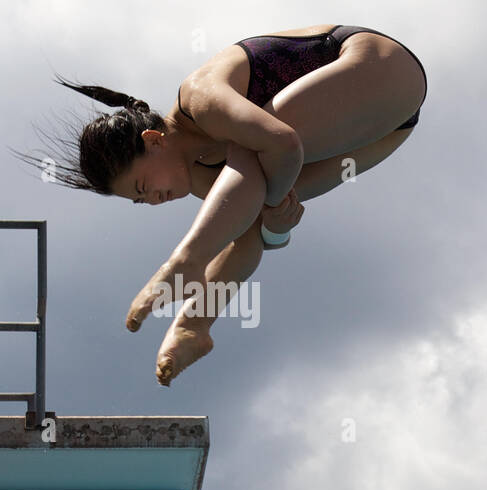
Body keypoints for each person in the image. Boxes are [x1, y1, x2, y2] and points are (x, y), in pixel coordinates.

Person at [15, 24, 427, 386]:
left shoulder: (199, 98)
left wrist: (214, 243)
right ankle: (195, 325)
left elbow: (282, 143)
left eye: (144, 186)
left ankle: (182, 262)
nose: (153, 201)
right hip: (389, 127)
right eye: (141, 202)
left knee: (255, 157)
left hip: (380, 67)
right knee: (249, 205)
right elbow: (256, 235)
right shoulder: (207, 178)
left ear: (154, 141)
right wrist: (274, 225)